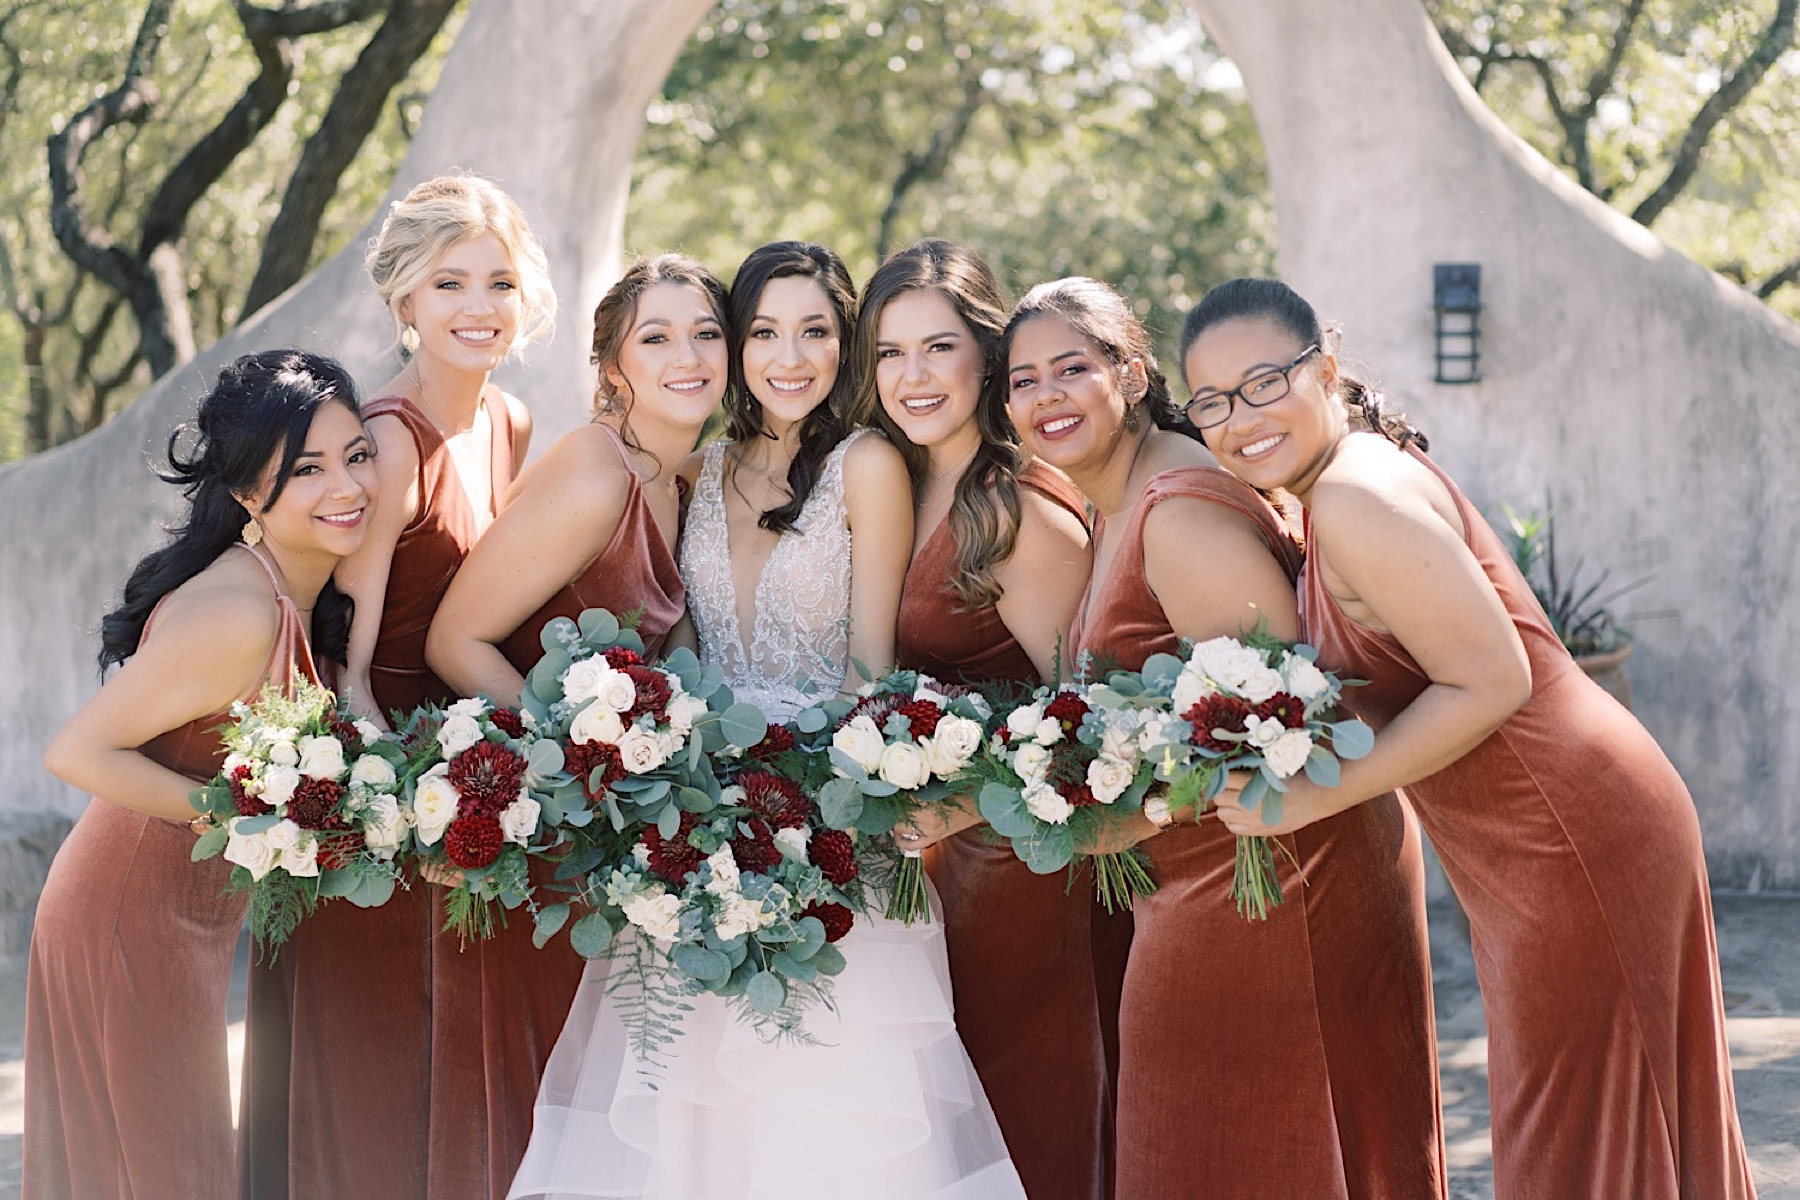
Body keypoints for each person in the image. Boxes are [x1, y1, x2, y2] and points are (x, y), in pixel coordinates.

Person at [1181, 277, 1756, 1199]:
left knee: (1582, 1131)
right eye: (1210, 401)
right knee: (1598, 1120)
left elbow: (1494, 679)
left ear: (1324, 370)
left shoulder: (1357, 497)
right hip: (1539, 838)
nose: (1238, 417)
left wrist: (1317, 792)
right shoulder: (1333, 484)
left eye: (1263, 382)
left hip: (1568, 832)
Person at [509, 241, 1024, 1199]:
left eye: (817, 332)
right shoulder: (698, 472)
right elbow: (681, 653)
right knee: (689, 1123)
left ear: (847, 345)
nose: (791, 357)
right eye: (765, 333)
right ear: (739, 347)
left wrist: (800, 805)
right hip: (700, 826)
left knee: (822, 1115)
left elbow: (873, 671)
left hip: (829, 830)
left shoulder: (868, 465)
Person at [1000, 277, 1445, 1200]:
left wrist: (1137, 808)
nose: (1045, 395)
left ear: (1130, 374)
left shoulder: (1181, 510)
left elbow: (1294, 716)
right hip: (1207, 870)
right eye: (1022, 379)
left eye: (1071, 368)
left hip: (1273, 874)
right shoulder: (1112, 502)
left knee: (1223, 1149)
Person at [240, 173, 557, 1200]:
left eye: (500, 282)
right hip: (398, 785)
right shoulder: (386, 439)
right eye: (450, 281)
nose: (479, 306)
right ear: (404, 301)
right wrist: (399, 803)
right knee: (382, 1074)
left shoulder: (508, 419)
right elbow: (353, 661)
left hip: (480, 779)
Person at [27, 350, 375, 1200]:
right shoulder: (239, 613)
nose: (347, 487)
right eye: (307, 470)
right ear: (251, 496)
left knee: (164, 1161)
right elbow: (75, 752)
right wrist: (257, 819)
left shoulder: (295, 591)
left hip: (186, 912)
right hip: (126, 917)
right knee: (161, 1164)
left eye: (357, 456)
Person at [421, 255, 722, 1197]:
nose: (689, 356)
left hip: (620, 842)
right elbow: (455, 638)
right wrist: (572, 769)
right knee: (535, 1113)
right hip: (545, 836)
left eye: (707, 333)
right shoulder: (597, 475)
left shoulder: (695, 475)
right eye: (657, 337)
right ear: (614, 365)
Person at [849, 238, 1117, 1200]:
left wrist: (965, 810)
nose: (912, 376)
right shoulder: (904, 480)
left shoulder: (1014, 511)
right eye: (888, 353)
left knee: (1022, 1110)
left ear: (986, 357)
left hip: (1018, 866)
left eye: (939, 348)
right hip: (934, 870)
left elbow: (1088, 722)